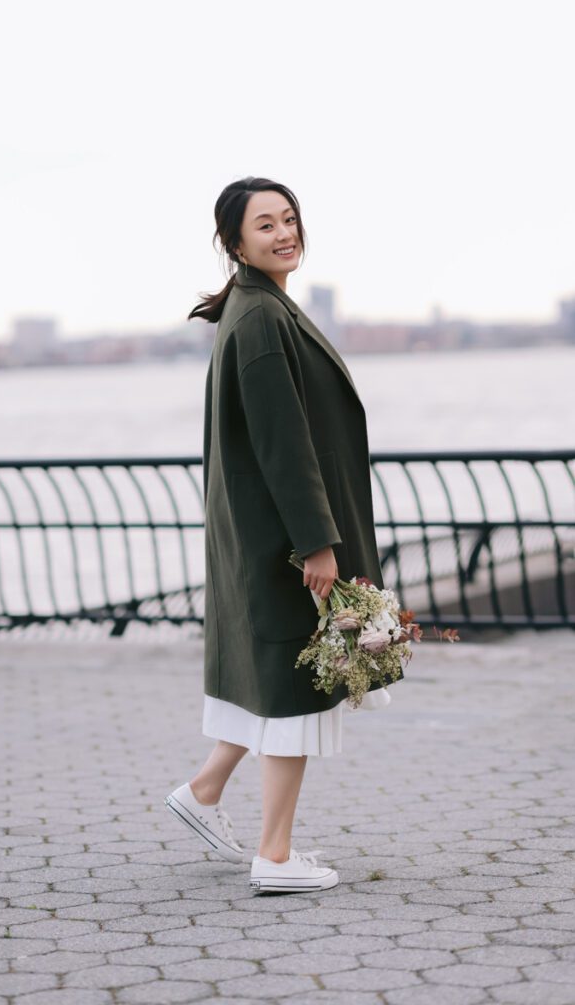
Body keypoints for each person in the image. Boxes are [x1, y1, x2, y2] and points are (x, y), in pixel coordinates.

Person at [164, 176, 404, 894]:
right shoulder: (262, 317)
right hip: (283, 539)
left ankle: (204, 792)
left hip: (262, 532)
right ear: (235, 243)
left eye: (290, 218)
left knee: (271, 674)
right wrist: (317, 541)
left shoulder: (257, 306)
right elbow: (283, 443)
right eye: (265, 224)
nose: (284, 232)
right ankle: (274, 856)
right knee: (297, 689)